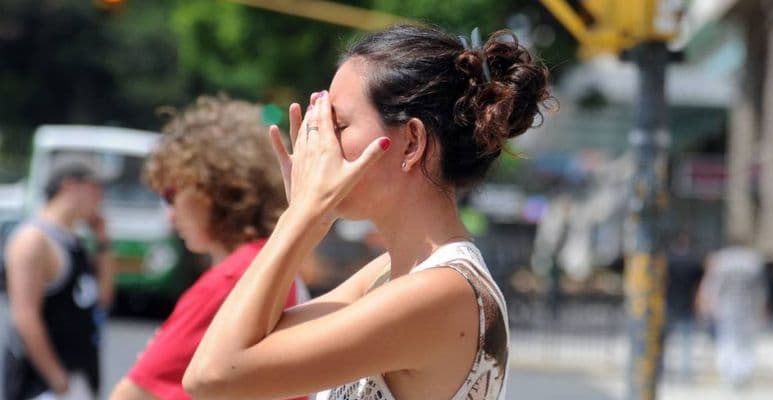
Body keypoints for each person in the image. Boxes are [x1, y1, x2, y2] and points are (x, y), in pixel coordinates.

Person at [183, 25, 551, 400]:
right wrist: (309, 215)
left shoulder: (441, 292)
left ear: (411, 142)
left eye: (337, 125)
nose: (319, 141)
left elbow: (212, 377)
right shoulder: (388, 274)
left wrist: (301, 217)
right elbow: (256, 343)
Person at [108, 95, 309, 400]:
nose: (170, 211)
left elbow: (132, 394)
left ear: (212, 189)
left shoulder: (231, 280)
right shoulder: (276, 263)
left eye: (171, 193)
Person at [3, 163, 115, 400]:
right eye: (95, 188)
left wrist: (103, 242)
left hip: (79, 373)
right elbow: (25, 316)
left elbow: (102, 298)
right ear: (70, 186)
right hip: (43, 383)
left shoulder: (75, 240)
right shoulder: (33, 240)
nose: (101, 197)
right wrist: (57, 379)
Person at [697, 239, 768, 388]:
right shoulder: (752, 262)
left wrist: (707, 305)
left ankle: (730, 372)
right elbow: (760, 290)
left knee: (727, 339)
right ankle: (741, 372)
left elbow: (712, 287)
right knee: (744, 341)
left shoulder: (721, 261)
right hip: (746, 308)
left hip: (726, 308)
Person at [665, 231, 703, 381]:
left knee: (666, 341)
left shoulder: (669, 260)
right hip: (687, 304)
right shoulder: (694, 262)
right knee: (686, 342)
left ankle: (664, 370)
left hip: (670, 303)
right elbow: (699, 284)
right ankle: (685, 373)